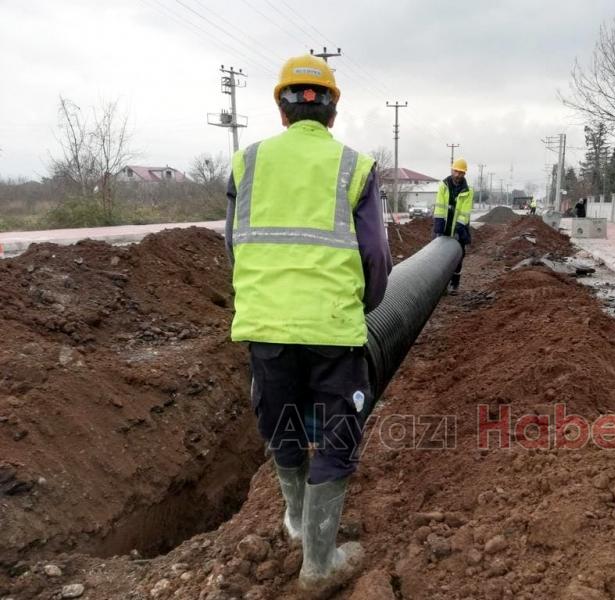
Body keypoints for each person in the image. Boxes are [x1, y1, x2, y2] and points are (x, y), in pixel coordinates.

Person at [224, 54, 391, 592]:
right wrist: (364, 306)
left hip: (266, 327)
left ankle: (296, 523)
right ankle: (319, 565)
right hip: (331, 329)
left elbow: (234, 244)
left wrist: (263, 299)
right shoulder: (354, 166)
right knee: (335, 438)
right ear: (332, 113)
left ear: (282, 110)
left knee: (284, 426)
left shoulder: (246, 163)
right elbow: (375, 255)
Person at [433, 158, 474, 294]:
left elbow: (464, 213)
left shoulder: (468, 191)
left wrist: (458, 230)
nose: (458, 175)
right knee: (440, 257)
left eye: (461, 173)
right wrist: (439, 230)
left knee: (458, 256)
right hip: (443, 227)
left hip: (459, 228)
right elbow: (439, 209)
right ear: (452, 170)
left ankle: (455, 284)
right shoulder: (443, 186)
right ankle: (443, 285)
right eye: (456, 171)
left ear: (464, 174)